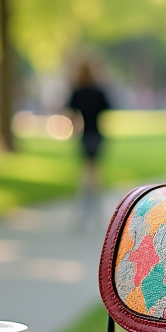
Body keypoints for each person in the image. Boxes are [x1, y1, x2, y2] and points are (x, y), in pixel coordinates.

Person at [65, 59, 111, 231]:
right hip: (97, 135)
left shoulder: (77, 91)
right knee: (95, 172)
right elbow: (107, 109)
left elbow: (70, 112)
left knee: (86, 172)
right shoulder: (98, 91)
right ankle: (96, 211)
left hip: (84, 136)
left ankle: (84, 212)